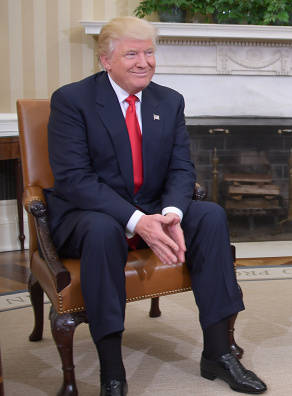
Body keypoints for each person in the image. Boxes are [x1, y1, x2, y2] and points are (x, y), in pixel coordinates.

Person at [46, 16, 266, 395]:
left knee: (210, 215)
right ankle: (112, 372)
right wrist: (136, 220)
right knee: (102, 231)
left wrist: (171, 214)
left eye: (149, 52)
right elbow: (74, 180)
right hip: (88, 214)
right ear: (105, 60)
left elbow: (182, 167)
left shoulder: (168, 100)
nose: (143, 62)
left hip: (152, 207)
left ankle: (219, 352)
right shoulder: (72, 101)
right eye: (131, 54)